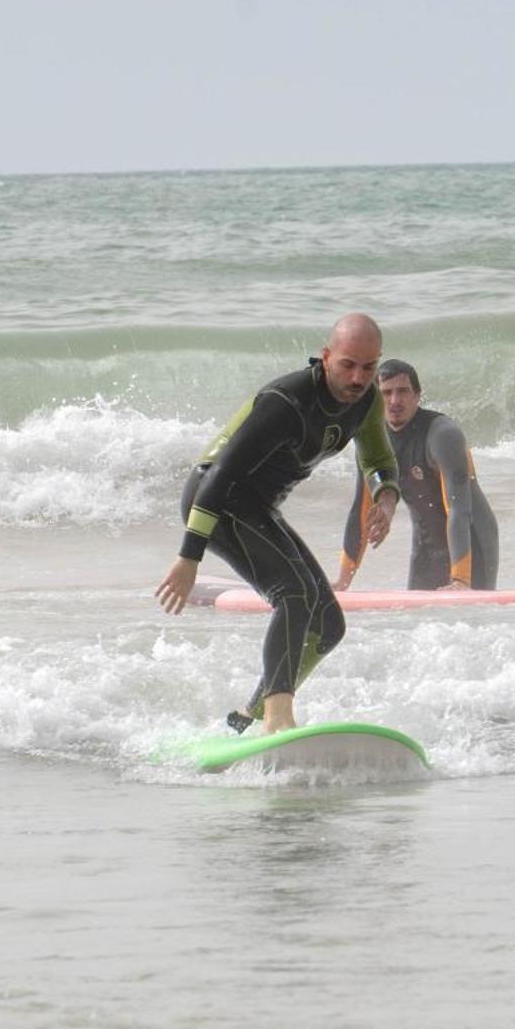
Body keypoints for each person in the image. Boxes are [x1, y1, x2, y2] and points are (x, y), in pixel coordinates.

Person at [154, 314, 402, 734]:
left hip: (258, 507)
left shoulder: (366, 401)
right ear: (326, 358)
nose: (358, 377)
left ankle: (246, 720)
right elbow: (219, 476)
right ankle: (279, 717)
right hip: (216, 500)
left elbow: (378, 461)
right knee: (292, 595)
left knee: (328, 627)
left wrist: (386, 497)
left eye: (368, 366)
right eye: (347, 364)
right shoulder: (285, 401)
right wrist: (188, 556)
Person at [335, 359, 499, 592]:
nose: (394, 401)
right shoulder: (372, 440)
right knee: (417, 621)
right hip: (426, 546)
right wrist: (343, 581)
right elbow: (360, 510)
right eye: (386, 393)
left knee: (467, 619)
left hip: (472, 543)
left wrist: (461, 580)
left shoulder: (443, 435)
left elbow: (458, 509)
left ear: (417, 395)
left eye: (403, 391)